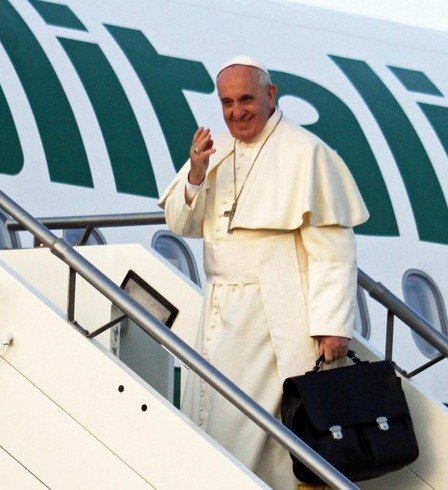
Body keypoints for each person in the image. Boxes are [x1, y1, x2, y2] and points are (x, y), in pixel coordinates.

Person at [158, 56, 369, 489]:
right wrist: (196, 174)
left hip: (276, 311)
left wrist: (332, 325)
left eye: (247, 99)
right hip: (219, 310)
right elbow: (179, 224)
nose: (237, 112)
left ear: (270, 96)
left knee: (270, 434)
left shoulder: (305, 152)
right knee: (214, 420)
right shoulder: (215, 149)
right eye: (228, 102)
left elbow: (333, 251)